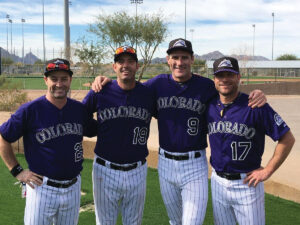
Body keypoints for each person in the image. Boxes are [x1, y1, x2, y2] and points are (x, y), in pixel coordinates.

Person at [92, 38, 266, 225]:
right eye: (175, 57)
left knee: (191, 221)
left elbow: (229, 90)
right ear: (168, 59)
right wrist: (107, 81)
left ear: (192, 59)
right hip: (165, 163)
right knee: (175, 221)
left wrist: (257, 93)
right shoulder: (156, 84)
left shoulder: (206, 86)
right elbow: (131, 88)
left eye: (184, 57)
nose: (179, 62)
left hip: (194, 163)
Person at [0, 58, 97, 225]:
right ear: (45, 80)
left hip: (73, 186)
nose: (59, 84)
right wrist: (17, 171)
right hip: (41, 188)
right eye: (54, 79)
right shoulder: (30, 110)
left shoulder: (78, 110)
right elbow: (3, 138)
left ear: (70, 80)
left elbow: (96, 128)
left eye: (64, 79)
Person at [207, 56, 295, 225]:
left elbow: (287, 138)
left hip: (246, 184)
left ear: (238, 77)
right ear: (214, 80)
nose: (225, 79)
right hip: (217, 182)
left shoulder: (255, 105)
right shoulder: (209, 105)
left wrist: (267, 170)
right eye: (220, 75)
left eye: (230, 74)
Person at [82, 46, 156, 225]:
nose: (125, 65)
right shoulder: (100, 91)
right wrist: (95, 129)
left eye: (130, 61)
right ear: (114, 67)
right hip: (105, 169)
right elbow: (80, 116)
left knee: (133, 222)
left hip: (137, 169)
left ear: (137, 66)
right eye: (120, 61)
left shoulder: (148, 94)